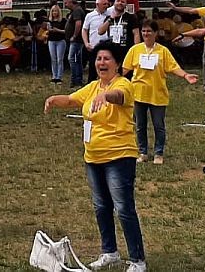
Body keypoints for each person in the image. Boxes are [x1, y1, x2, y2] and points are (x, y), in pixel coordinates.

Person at [43, 42, 148, 272]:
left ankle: (137, 260)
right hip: (93, 157)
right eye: (99, 59)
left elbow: (120, 96)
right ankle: (109, 252)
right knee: (101, 207)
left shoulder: (124, 84)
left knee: (123, 208)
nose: (101, 63)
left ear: (117, 64)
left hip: (119, 157)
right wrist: (54, 99)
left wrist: (107, 95)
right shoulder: (93, 87)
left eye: (106, 59)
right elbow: (72, 100)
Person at [122, 22, 197, 164]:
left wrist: (185, 75)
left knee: (159, 126)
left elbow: (173, 67)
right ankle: (143, 152)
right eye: (143, 31)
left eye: (149, 31)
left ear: (155, 33)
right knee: (140, 126)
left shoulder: (163, 51)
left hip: (157, 93)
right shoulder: (135, 49)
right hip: (138, 93)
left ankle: (158, 153)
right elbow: (124, 69)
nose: (146, 34)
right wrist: (110, 78)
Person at [100, 0, 140, 65]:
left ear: (126, 5)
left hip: (127, 52)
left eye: (122, 2)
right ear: (114, 3)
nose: (120, 3)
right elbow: (100, 31)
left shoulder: (131, 17)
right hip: (112, 52)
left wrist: (136, 50)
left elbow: (136, 34)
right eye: (118, 1)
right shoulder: (108, 18)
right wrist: (110, 19)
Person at [82, 0, 111, 82]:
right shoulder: (90, 16)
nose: (106, 6)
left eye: (107, 4)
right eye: (104, 4)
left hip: (107, 47)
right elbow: (84, 30)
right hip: (94, 47)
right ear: (97, 5)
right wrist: (86, 43)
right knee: (93, 70)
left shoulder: (110, 14)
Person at [65, 0, 87, 87]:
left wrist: (74, 36)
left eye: (66, 3)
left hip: (76, 40)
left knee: (72, 58)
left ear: (71, 2)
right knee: (77, 59)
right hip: (76, 40)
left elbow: (78, 24)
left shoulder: (77, 11)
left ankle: (75, 79)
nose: (65, 5)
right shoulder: (74, 11)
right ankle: (78, 79)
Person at [46, 5, 68, 84]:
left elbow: (66, 31)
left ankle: (59, 77)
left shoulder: (63, 21)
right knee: (53, 59)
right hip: (51, 41)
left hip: (60, 41)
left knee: (59, 59)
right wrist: (49, 30)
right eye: (53, 11)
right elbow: (47, 31)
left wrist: (58, 30)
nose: (54, 13)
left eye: (56, 11)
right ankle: (54, 76)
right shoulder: (49, 21)